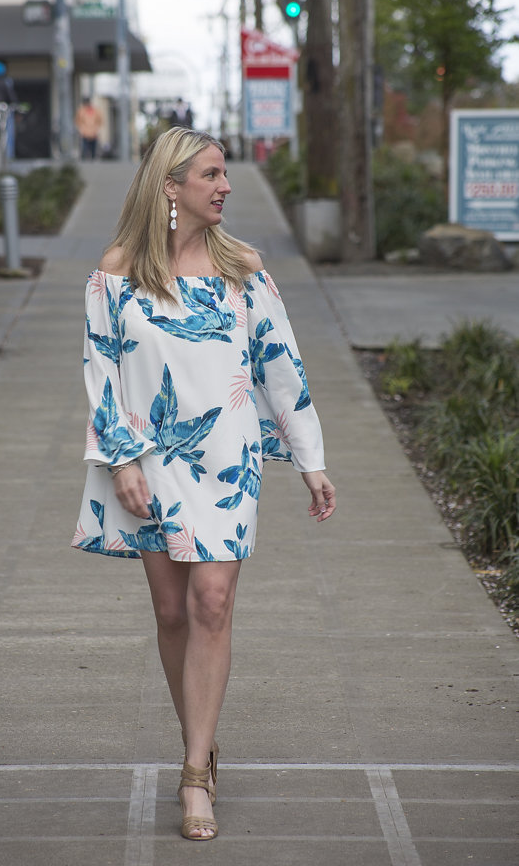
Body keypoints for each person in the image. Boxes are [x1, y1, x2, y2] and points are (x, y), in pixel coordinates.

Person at [73, 127, 336, 842]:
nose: (225, 186)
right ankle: (202, 734)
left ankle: (194, 772)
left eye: (225, 175)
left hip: (226, 457)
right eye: (212, 174)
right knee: (170, 612)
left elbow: (280, 364)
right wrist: (120, 459)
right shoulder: (118, 271)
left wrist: (309, 459)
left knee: (211, 601)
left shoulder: (243, 268)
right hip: (148, 456)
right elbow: (102, 373)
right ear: (170, 186)